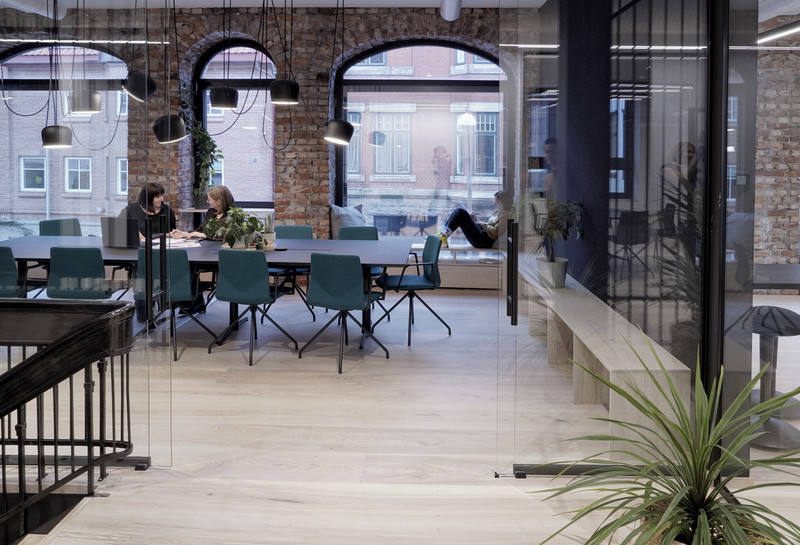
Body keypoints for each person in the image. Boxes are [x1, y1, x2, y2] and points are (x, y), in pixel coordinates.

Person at [435, 190, 513, 249]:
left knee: (460, 212)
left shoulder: (506, 215)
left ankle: (443, 237)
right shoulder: (498, 212)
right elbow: (489, 225)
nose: (494, 203)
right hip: (483, 234)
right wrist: (476, 221)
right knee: (458, 212)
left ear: (503, 201)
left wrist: (481, 223)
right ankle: (443, 235)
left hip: (484, 240)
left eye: (496, 201)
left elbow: (496, 231)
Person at [171, 185, 235, 240]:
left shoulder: (234, 214)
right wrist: (185, 234)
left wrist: (203, 235)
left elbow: (227, 236)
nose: (207, 201)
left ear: (218, 201)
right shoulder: (211, 212)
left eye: (209, 199)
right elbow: (200, 230)